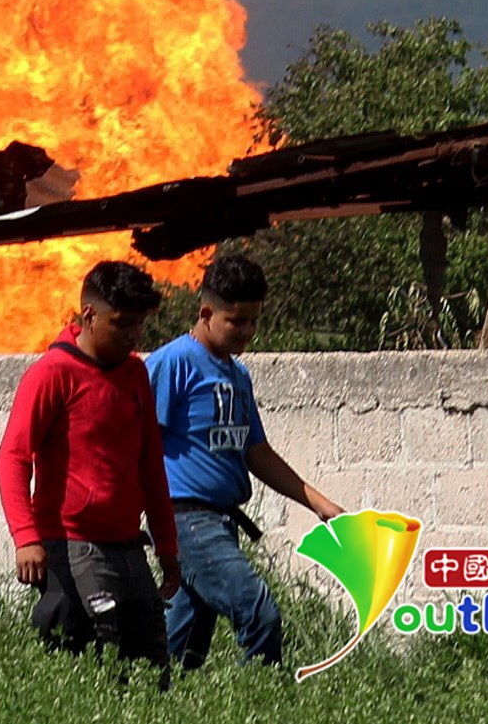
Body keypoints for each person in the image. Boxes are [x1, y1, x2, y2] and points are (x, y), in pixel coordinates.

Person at [148, 252, 342, 670]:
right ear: (206, 313)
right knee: (259, 613)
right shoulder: (172, 364)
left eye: (254, 321)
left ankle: (145, 705)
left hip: (222, 521)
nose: (248, 331)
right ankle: (259, 703)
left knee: (176, 655)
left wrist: (319, 503)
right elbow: (135, 441)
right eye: (237, 321)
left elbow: (258, 453)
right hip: (186, 521)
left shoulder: (238, 376)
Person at [0, 260, 180, 682]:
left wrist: (167, 545)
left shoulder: (135, 373)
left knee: (151, 670)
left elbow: (151, 464)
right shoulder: (51, 374)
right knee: (81, 663)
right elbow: (13, 457)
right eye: (122, 324)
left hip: (127, 545)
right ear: (89, 316)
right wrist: (26, 538)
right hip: (69, 543)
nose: (133, 335)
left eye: (139, 325)